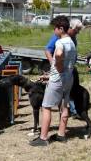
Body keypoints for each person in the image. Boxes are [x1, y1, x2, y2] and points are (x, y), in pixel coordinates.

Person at [30, 15, 77, 146]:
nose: (54, 31)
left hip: (58, 79)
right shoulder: (71, 42)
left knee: (46, 107)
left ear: (61, 29)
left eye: (55, 29)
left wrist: (58, 68)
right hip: (69, 78)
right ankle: (61, 134)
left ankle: (43, 138)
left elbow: (59, 54)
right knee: (64, 105)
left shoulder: (60, 42)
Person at [43, 18, 83, 116]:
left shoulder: (72, 38)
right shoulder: (58, 37)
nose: (77, 33)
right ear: (70, 28)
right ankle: (69, 110)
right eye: (76, 30)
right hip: (60, 70)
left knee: (71, 89)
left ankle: (72, 110)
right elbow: (48, 50)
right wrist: (54, 63)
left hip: (69, 68)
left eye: (79, 30)